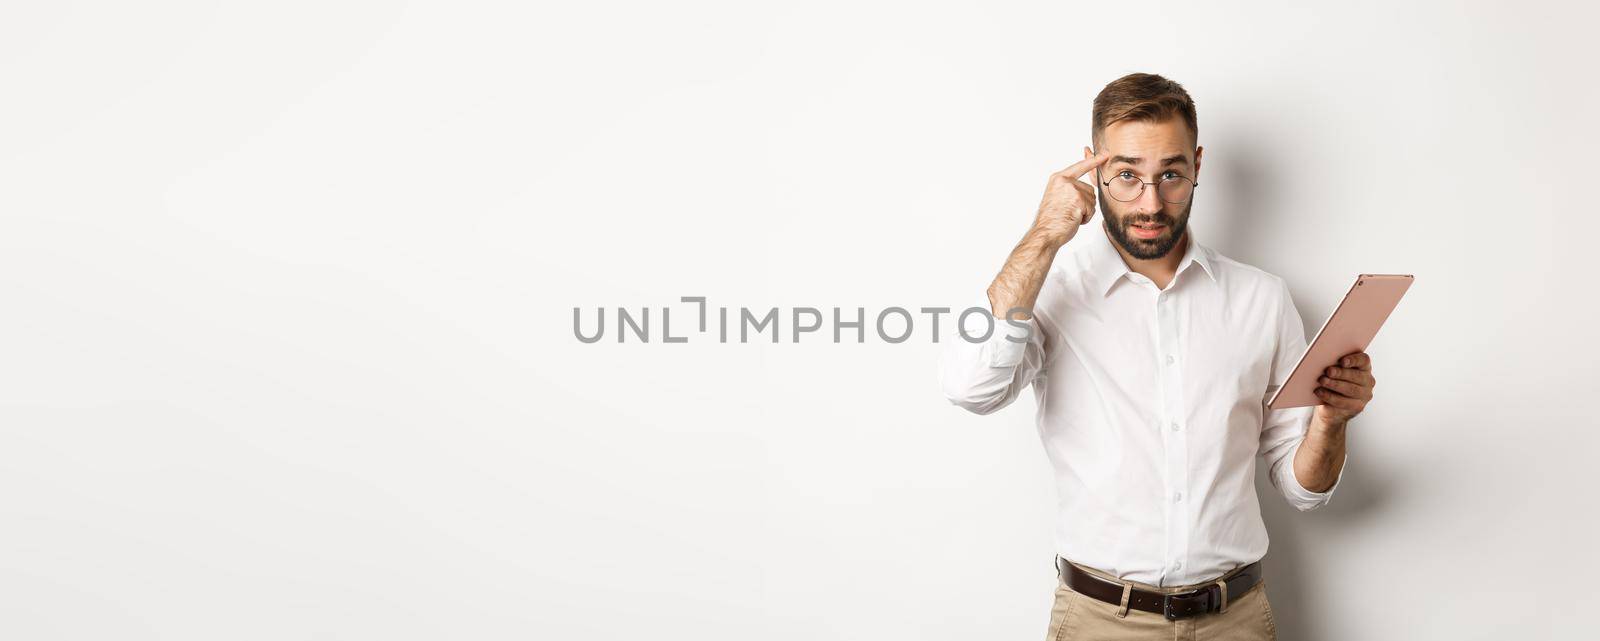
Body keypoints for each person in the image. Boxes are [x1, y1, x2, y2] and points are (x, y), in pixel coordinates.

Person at [939, 73, 1377, 640]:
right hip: (1100, 623)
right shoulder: (1050, 289)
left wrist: (1332, 421)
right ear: (1092, 168)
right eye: (1126, 176)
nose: (1151, 202)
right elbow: (970, 388)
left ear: (1198, 165)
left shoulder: (1261, 299)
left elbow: (1303, 490)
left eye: (1170, 174)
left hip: (1236, 622)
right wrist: (1044, 237)